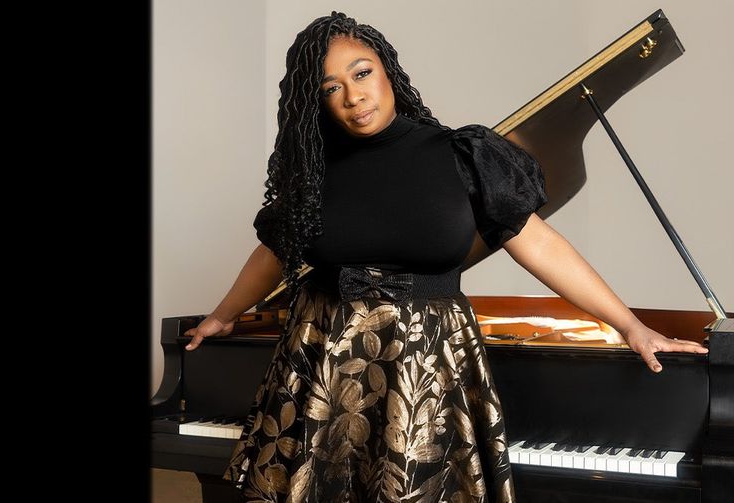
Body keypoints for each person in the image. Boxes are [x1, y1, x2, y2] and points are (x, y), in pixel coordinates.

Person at [180, 10, 710, 503]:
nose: (353, 95)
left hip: (428, 370)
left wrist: (631, 326)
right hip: (321, 366)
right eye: (331, 87)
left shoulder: (461, 156)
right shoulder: (313, 174)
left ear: (387, 70)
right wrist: (224, 315)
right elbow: (272, 254)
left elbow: (542, 245)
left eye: (362, 73)